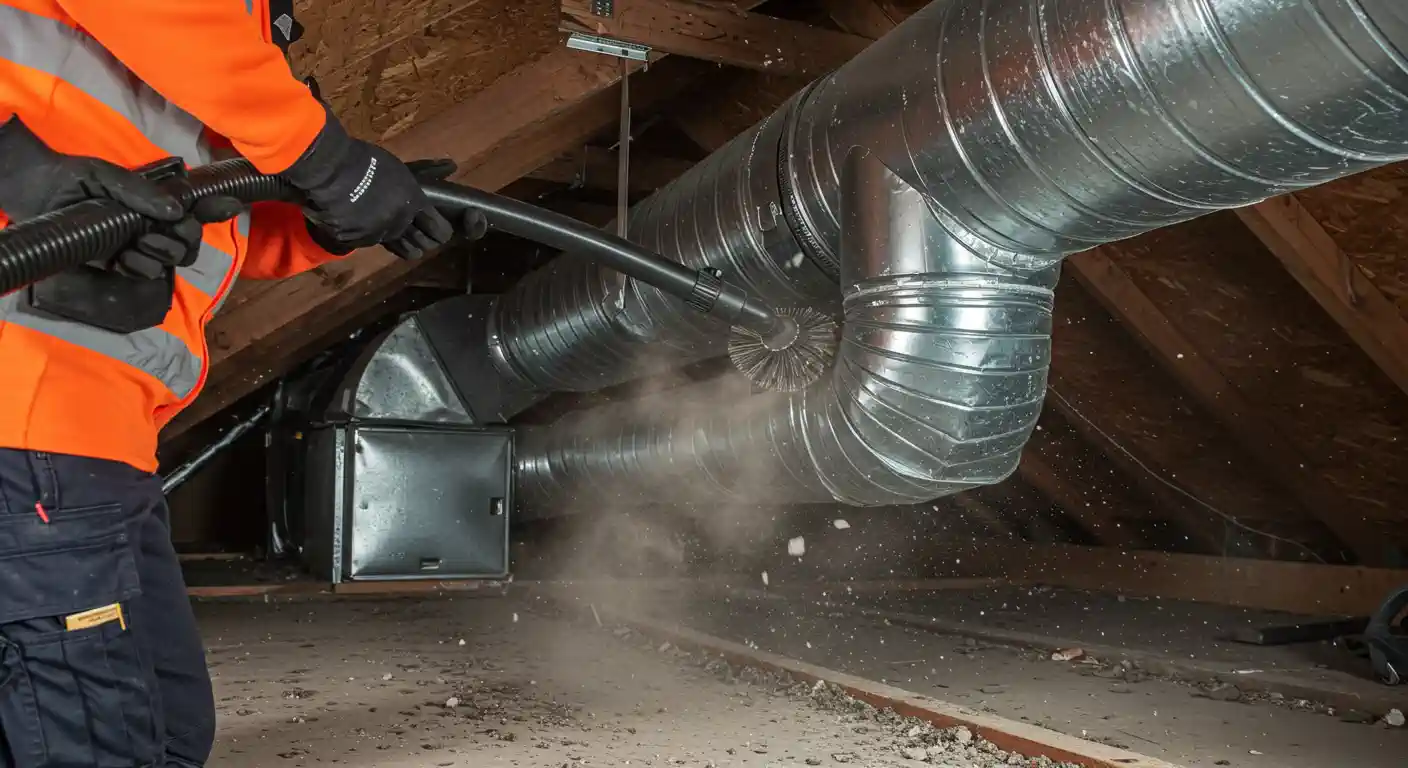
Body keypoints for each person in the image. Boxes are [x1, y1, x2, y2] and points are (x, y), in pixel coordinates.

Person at [0, 0, 480, 765]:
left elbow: (220, 222)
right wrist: (332, 164)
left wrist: (331, 221)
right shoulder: (208, 32)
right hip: (29, 420)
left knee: (172, 734)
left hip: (97, 437)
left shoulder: (231, 50)